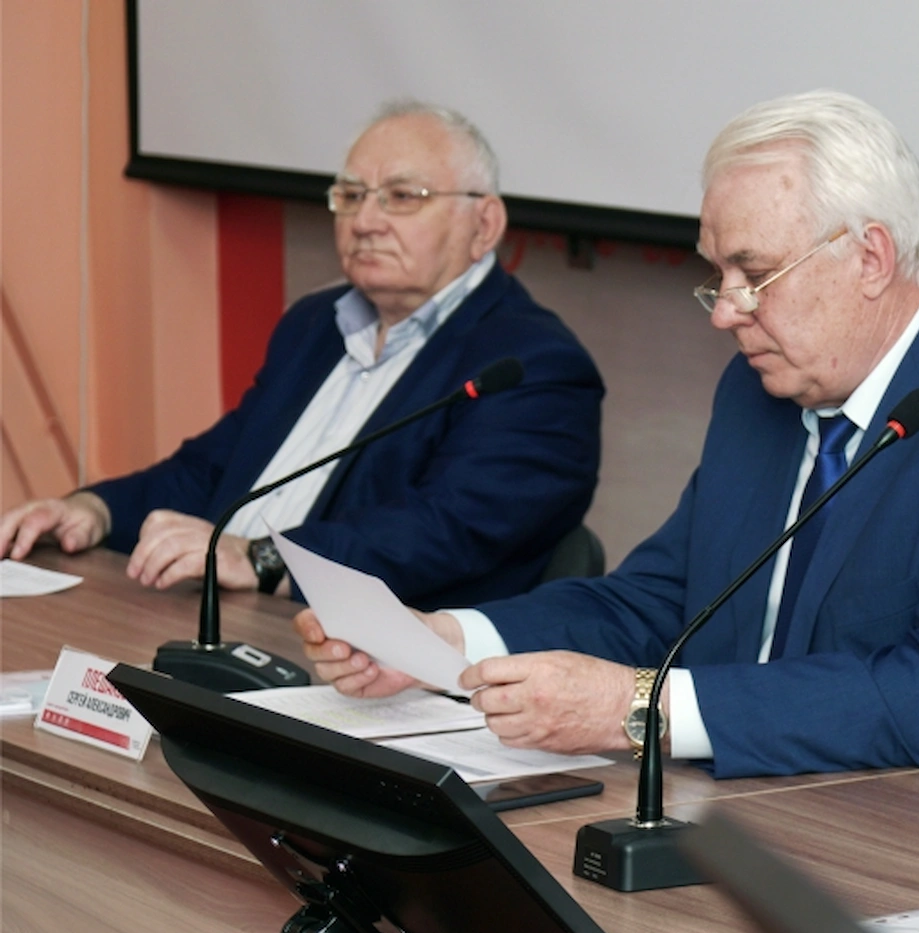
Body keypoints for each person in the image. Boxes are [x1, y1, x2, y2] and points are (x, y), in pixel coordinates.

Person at [299, 91, 919, 831]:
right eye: (716, 274)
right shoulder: (766, 386)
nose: (725, 312)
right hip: (791, 820)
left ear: (869, 257)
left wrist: (636, 710)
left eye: (752, 274)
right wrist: (446, 644)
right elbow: (660, 601)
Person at [0, 101, 603, 609]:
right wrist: (95, 510)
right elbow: (215, 467)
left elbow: (444, 532)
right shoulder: (315, 324)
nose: (365, 221)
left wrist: (261, 559)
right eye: (351, 195)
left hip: (371, 663)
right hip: (218, 615)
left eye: (402, 197)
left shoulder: (534, 366)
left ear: (484, 224)